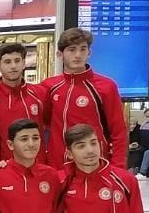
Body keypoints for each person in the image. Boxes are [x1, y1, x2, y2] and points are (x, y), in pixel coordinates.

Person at [42, 28, 128, 169]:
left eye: (83, 49)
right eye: (72, 50)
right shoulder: (48, 87)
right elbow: (44, 123)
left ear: (89, 53)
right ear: (59, 54)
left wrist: (118, 167)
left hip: (95, 166)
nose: (78, 55)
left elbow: (118, 131)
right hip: (58, 167)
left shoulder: (106, 86)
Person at [0, 42, 47, 163]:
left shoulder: (40, 94)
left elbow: (51, 129)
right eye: (7, 62)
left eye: (17, 61)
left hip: (37, 166)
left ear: (24, 63)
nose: (13, 66)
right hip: (2, 167)